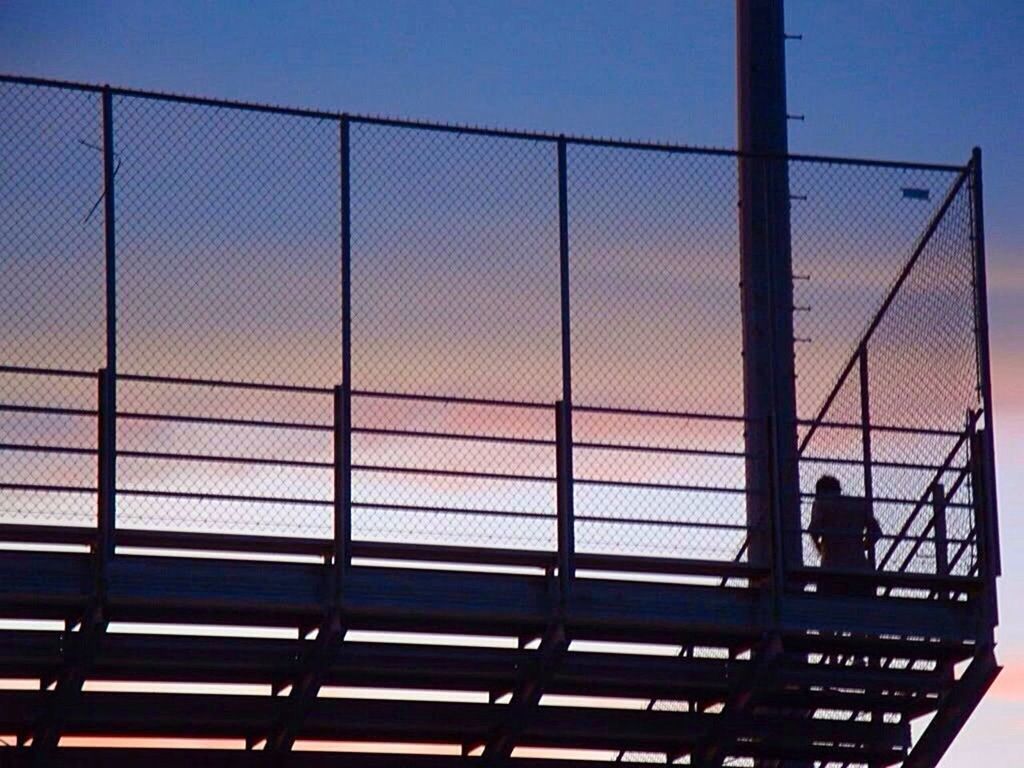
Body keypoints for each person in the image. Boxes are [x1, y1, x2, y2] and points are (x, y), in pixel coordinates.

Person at [808, 474, 882, 598]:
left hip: (831, 567)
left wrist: (820, 547)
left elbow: (813, 530)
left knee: (828, 607)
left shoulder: (821, 504)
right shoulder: (857, 504)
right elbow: (876, 532)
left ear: (819, 492)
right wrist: (862, 546)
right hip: (859, 567)